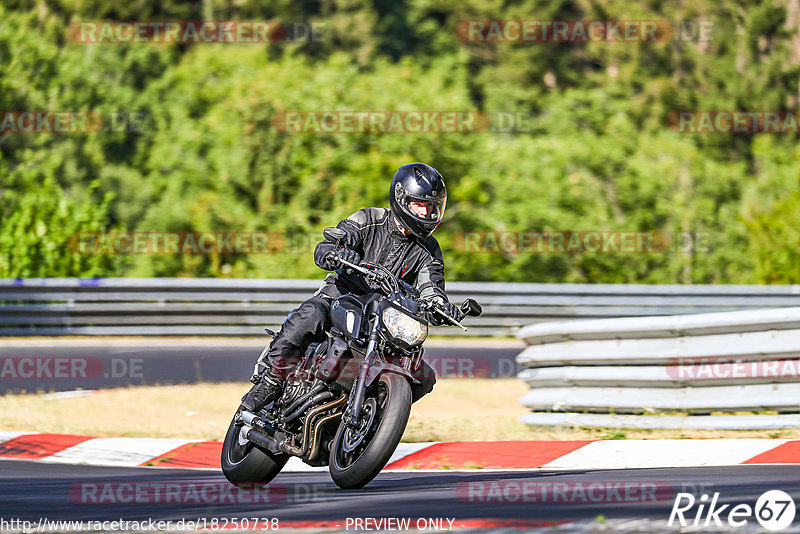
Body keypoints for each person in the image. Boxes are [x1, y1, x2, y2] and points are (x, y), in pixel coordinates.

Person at [240, 162, 460, 412]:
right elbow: (330, 243)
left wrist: (441, 307)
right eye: (420, 205)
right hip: (341, 296)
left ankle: (372, 419)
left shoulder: (429, 251)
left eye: (432, 206)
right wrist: (337, 253)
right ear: (401, 198)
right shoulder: (369, 219)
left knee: (423, 376)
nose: (426, 213)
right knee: (309, 316)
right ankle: (272, 380)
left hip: (384, 319)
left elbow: (431, 286)